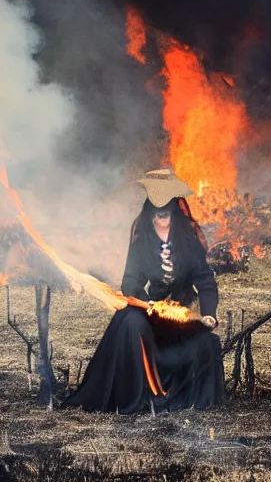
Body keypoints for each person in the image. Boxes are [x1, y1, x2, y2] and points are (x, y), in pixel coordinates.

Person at [63, 169, 224, 414]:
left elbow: (204, 279)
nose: (161, 222)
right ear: (150, 214)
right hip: (150, 309)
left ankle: (180, 397)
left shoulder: (188, 234)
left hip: (180, 313)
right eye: (157, 217)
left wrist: (209, 313)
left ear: (174, 213)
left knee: (207, 342)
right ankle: (131, 397)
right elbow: (131, 279)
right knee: (128, 322)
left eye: (166, 217)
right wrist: (147, 303)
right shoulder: (141, 233)